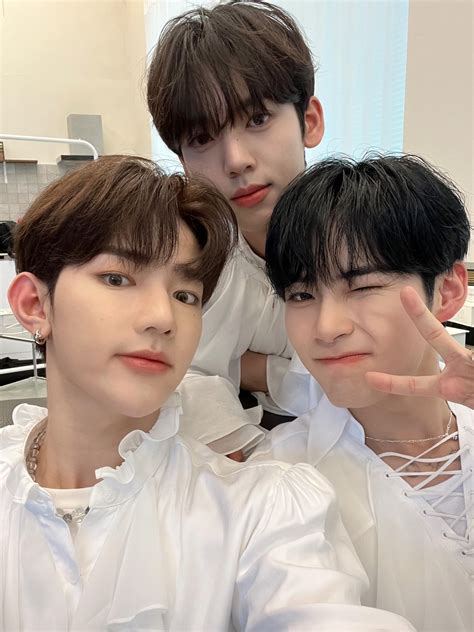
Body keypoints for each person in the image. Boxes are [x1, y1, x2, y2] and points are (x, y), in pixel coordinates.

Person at [0, 155, 414, 630]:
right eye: (118, 278)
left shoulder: (258, 509)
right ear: (35, 305)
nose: (162, 317)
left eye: (186, 295)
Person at [147, 0, 474, 455]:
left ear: (310, 122)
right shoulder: (192, 264)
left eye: (257, 119)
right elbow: (184, 378)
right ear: (182, 162)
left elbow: (391, 371)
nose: (236, 160)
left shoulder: (366, 224)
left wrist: (255, 369)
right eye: (202, 139)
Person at [253, 154, 473, 631]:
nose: (326, 327)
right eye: (302, 295)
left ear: (448, 290)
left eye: (363, 286)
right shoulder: (279, 479)